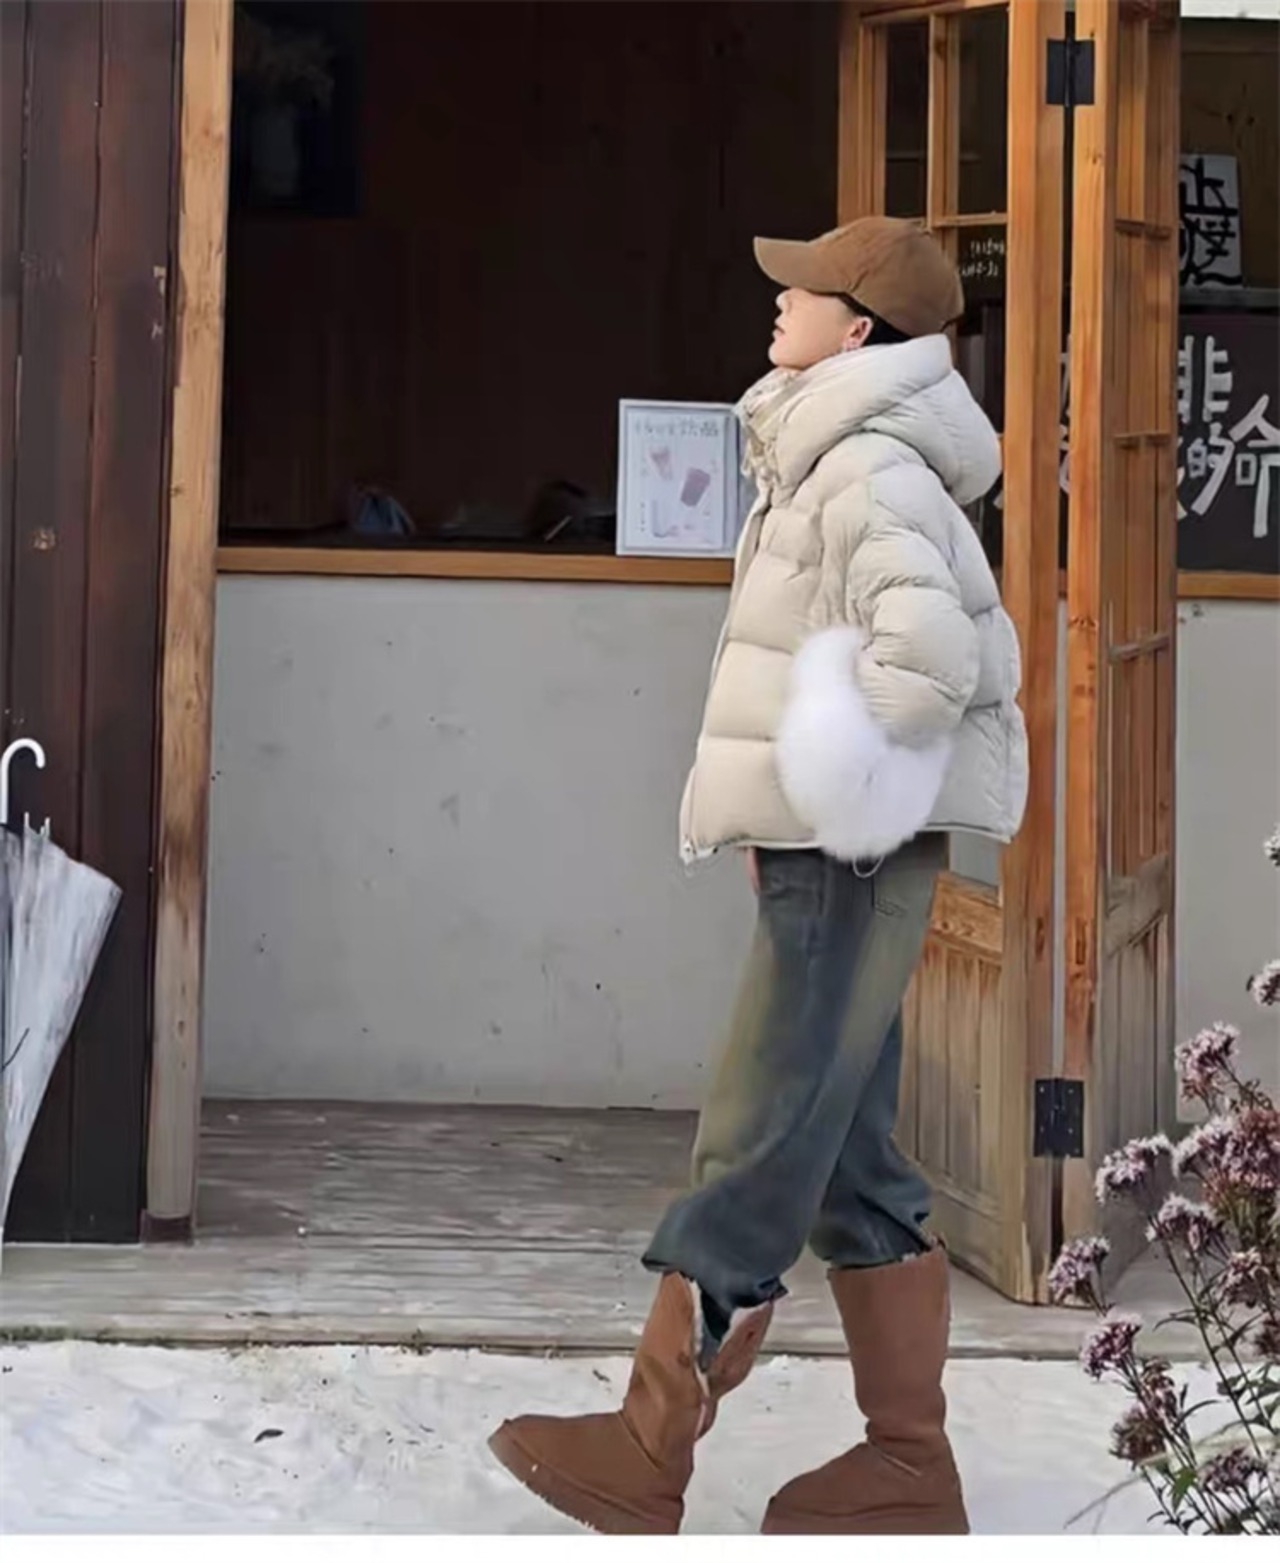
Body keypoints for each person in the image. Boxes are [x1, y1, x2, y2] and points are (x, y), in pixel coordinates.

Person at [488, 217, 1028, 1536]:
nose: (778, 301)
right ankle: (910, 1464)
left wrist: (832, 790)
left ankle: (648, 1446)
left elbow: (929, 663)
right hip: (838, 847)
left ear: (859, 329)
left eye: (805, 289)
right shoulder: (838, 448)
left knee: (762, 1120)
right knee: (845, 1153)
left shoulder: (868, 466)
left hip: (850, 849)